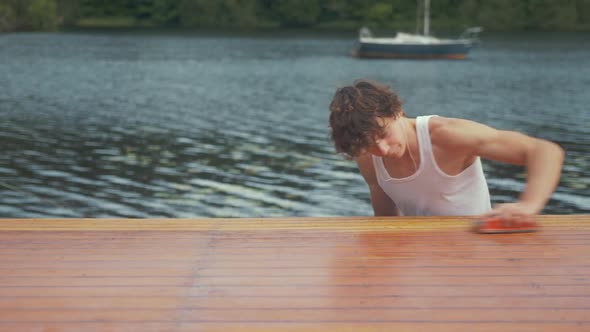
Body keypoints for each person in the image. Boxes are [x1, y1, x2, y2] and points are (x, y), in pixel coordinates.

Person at [328, 79, 564, 223]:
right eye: (369, 144)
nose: (382, 149)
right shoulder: (367, 157)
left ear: (396, 111)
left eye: (382, 135)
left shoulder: (446, 135)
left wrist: (528, 205)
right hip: (419, 255)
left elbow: (544, 151)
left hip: (474, 249)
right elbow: (386, 220)